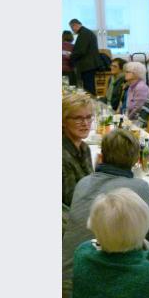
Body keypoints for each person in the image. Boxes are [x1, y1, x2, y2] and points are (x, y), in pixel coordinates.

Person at [62, 129, 149, 298]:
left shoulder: (83, 183)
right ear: (136, 161)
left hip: (65, 295)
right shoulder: (138, 187)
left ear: (101, 157)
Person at [63, 93, 94, 228]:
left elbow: (91, 184)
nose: (85, 123)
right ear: (63, 121)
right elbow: (72, 200)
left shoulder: (84, 148)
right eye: (78, 118)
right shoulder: (62, 156)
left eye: (88, 117)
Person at [69, 18, 102, 95]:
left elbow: (81, 51)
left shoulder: (84, 34)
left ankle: (91, 105)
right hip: (89, 64)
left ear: (75, 25)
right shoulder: (86, 32)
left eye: (71, 27)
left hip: (87, 65)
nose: (72, 30)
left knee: (89, 88)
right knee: (89, 86)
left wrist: (71, 56)